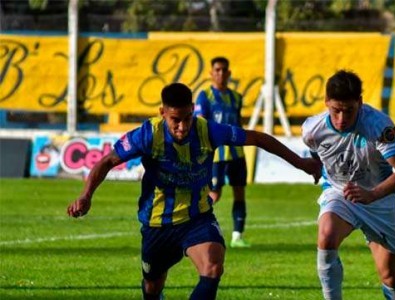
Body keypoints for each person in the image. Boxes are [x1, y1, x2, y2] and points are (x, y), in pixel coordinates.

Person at [67, 83, 321, 300]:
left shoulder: (207, 130)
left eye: (187, 118)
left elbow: (259, 138)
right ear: (162, 113)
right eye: (175, 120)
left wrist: (301, 164)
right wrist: (86, 195)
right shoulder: (147, 134)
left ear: (193, 111)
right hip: (157, 225)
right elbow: (107, 161)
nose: (182, 126)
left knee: (212, 266)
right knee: (152, 287)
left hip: (196, 218)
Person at [302, 70, 395, 300]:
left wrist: (372, 194)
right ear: (326, 103)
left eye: (349, 111)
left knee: (390, 276)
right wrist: (315, 165)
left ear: (360, 103)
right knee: (326, 236)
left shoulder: (379, 127)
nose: (341, 119)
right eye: (335, 111)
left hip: (379, 200)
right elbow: (318, 153)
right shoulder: (312, 130)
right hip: (339, 193)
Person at [194, 57, 251, 248]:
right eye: (216, 70)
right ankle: (191, 224)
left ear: (229, 73)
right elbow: (200, 125)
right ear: (211, 73)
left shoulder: (236, 97)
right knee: (214, 194)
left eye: (223, 70)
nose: (220, 73)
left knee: (239, 192)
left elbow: (239, 123)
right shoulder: (205, 96)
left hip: (237, 155)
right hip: (216, 156)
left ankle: (237, 237)